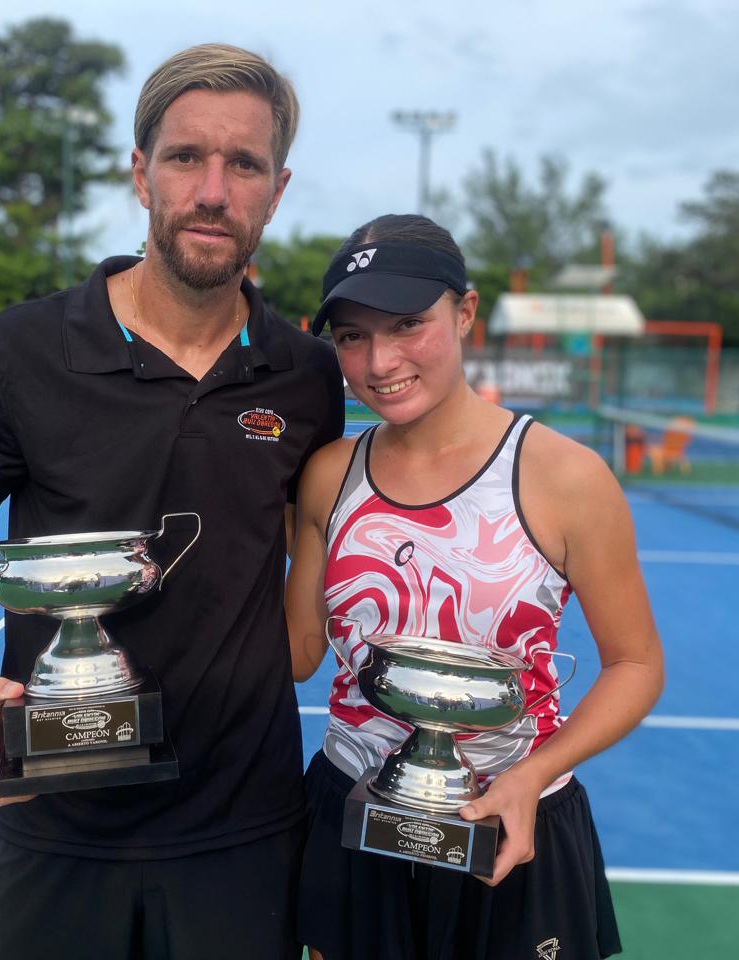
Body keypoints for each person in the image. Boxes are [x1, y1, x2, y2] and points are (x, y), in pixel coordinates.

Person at [0, 43, 345, 960]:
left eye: (246, 164)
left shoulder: (307, 375)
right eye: (187, 157)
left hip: (244, 828)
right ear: (140, 172)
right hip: (56, 817)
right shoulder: (21, 349)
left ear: (278, 188)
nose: (214, 190)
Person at [285, 214, 665, 960]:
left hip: (511, 827)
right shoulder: (331, 473)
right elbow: (296, 652)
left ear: (464, 313)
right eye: (352, 336)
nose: (378, 359)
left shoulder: (565, 476)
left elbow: (637, 665)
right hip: (354, 812)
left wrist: (532, 777)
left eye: (406, 325)